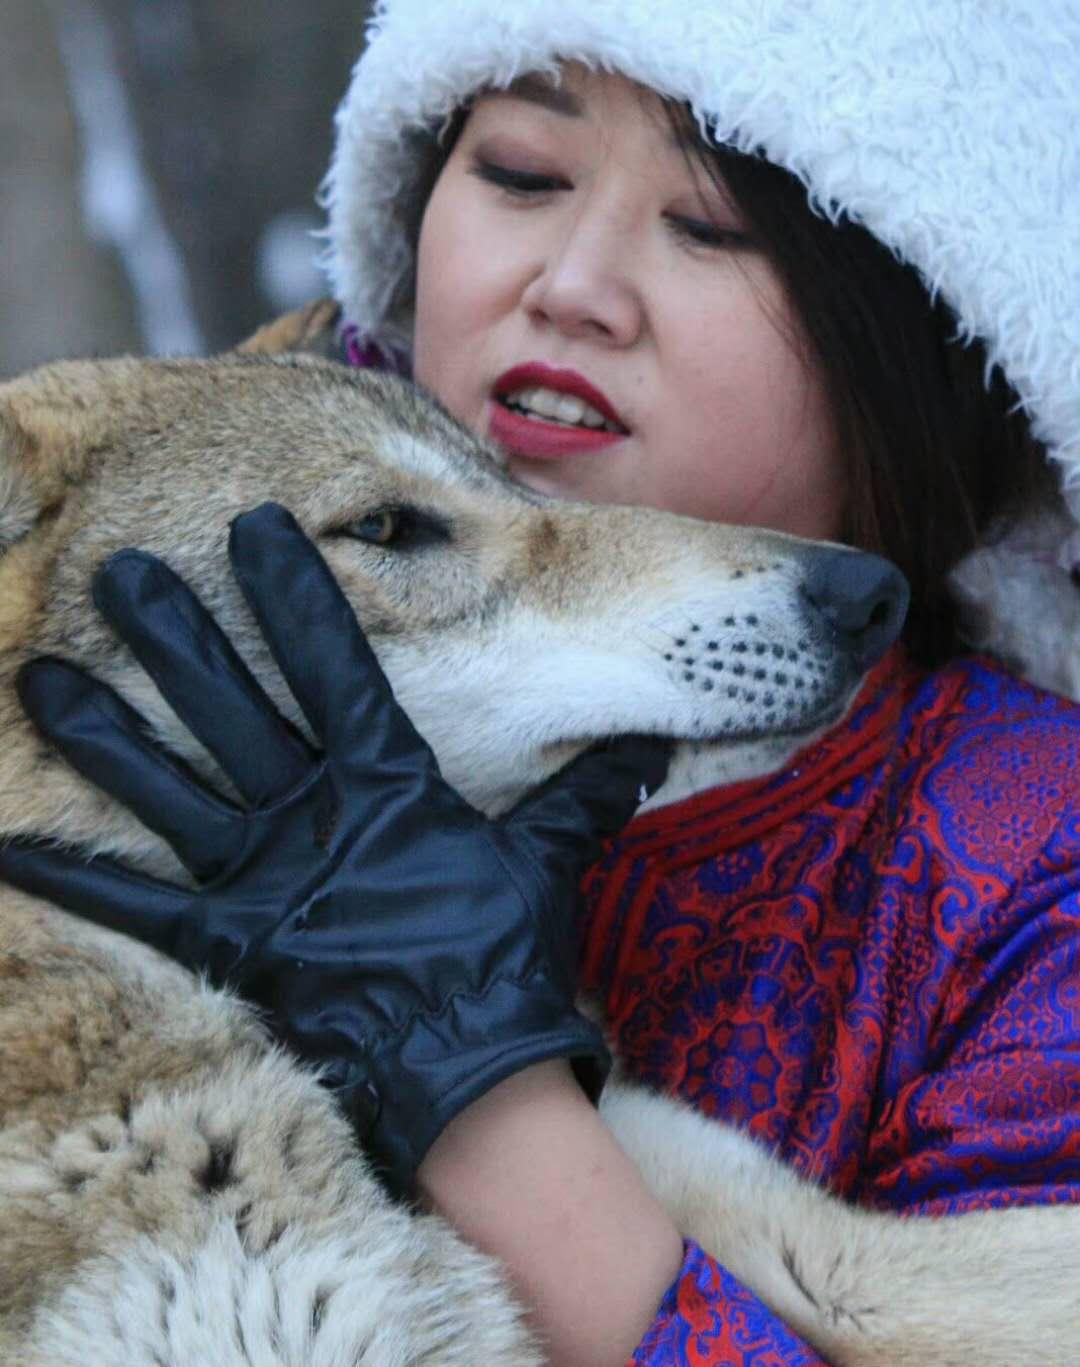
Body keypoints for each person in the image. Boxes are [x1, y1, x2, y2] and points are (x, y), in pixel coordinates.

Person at [3, 2, 1080, 1364]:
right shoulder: (148, 606)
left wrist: (470, 1081)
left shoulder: (1039, 862)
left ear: (933, 326)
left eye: (716, 226)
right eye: (518, 173)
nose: (573, 283)